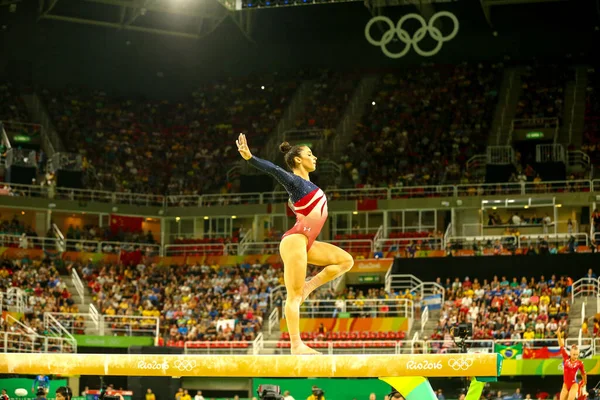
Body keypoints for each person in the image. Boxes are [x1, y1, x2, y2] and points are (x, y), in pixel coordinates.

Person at [237, 134, 354, 354]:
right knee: (293, 296)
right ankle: (296, 344)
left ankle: (309, 286)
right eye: (310, 154)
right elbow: (274, 170)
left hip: (308, 241)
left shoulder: (307, 185)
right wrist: (250, 158)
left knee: (346, 261)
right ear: (298, 160)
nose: (315, 157)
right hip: (296, 240)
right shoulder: (295, 182)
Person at [557, 328, 586, 400]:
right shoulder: (566, 358)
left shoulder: (579, 363)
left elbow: (583, 373)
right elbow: (561, 346)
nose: (576, 356)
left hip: (574, 384)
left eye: (577, 355)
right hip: (565, 384)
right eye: (574, 354)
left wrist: (584, 382)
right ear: (570, 353)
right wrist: (558, 335)